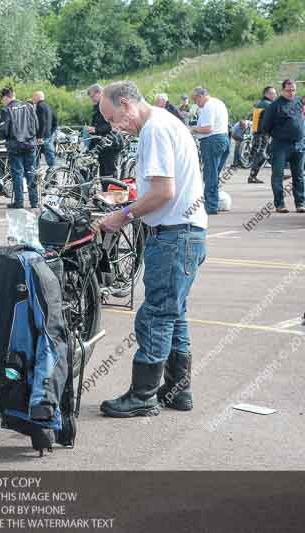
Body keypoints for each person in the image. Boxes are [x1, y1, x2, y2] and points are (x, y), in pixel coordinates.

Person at [97, 80, 207, 418]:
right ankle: (177, 390)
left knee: (156, 315)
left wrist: (123, 214)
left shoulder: (153, 130)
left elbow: (163, 193)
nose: (116, 127)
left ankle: (143, 394)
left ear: (128, 103)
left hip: (174, 235)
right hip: (187, 233)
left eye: (115, 118)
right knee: (174, 315)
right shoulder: (165, 121)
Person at [260, 79, 305, 213]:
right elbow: (265, 127)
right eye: (288, 90)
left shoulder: (298, 102)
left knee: (299, 175)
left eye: (293, 90)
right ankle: (280, 204)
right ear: (282, 90)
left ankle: (300, 203)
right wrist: (278, 135)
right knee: (278, 175)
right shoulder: (274, 106)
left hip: (298, 145)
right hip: (280, 145)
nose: (291, 93)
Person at [190, 87, 230, 215]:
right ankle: (214, 201)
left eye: (195, 100)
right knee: (214, 174)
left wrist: (193, 129)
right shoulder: (218, 103)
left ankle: (211, 205)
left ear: (200, 96)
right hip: (222, 138)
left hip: (212, 141)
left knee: (210, 175)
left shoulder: (208, 106)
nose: (196, 103)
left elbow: (208, 129)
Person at [0, 86, 39, 209]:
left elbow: (4, 130)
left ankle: (19, 202)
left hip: (15, 145)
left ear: (6, 97)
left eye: (2, 99)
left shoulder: (7, 110)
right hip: (30, 144)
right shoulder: (29, 106)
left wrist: (1, 137)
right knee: (31, 172)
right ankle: (34, 202)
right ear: (14, 95)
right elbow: (36, 125)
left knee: (17, 173)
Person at [87, 84, 121, 179]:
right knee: (103, 174)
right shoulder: (98, 106)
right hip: (102, 143)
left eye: (92, 96)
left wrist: (95, 129)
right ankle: (105, 192)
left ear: (99, 93)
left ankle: (111, 192)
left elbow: (113, 124)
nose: (92, 99)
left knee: (108, 173)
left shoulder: (108, 104)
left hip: (110, 143)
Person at [247, 86, 277, 184]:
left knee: (265, 154)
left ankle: (277, 173)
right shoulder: (268, 105)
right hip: (262, 134)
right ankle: (252, 176)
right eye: (273, 93)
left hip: (258, 133)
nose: (275, 95)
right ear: (266, 94)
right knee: (261, 155)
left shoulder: (259, 103)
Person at [33, 91, 57, 168]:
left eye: (34, 96)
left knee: (35, 155)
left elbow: (41, 122)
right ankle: (53, 173)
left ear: (37, 97)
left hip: (41, 137)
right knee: (50, 155)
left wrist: (40, 136)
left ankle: (36, 172)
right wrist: (50, 132)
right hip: (48, 135)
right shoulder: (49, 106)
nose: (33, 98)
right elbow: (55, 122)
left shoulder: (39, 106)